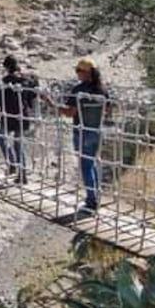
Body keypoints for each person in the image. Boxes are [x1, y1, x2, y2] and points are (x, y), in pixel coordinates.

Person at [58, 58, 109, 212]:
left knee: (86, 166)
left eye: (78, 71)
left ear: (86, 73)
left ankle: (91, 201)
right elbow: (109, 109)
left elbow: (70, 112)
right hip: (96, 131)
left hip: (81, 132)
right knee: (93, 163)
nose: (77, 74)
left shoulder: (78, 90)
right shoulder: (102, 89)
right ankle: (95, 196)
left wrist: (52, 105)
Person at [0, 55, 39, 184]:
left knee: (2, 138)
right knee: (18, 144)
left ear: (6, 67)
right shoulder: (25, 80)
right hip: (23, 116)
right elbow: (33, 92)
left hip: (9, 117)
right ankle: (22, 174)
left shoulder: (6, 81)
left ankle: (12, 162)